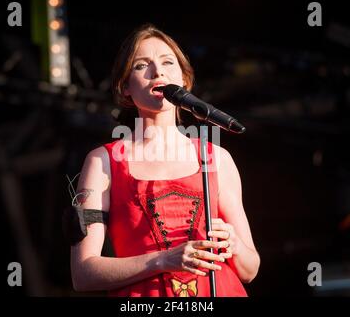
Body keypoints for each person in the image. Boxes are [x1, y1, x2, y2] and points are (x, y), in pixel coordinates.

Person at [69, 23, 260, 297]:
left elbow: (250, 270)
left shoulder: (217, 158)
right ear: (125, 87)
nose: (157, 71)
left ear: (184, 80)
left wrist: (234, 245)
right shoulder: (103, 162)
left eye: (168, 62)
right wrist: (163, 260)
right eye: (141, 65)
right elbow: (83, 274)